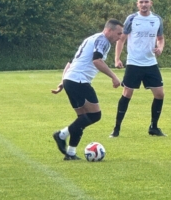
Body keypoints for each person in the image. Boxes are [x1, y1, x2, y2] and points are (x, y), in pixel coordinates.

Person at [51, 19, 124, 160]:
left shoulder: (92, 38)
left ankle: (70, 153)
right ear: (109, 30)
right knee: (95, 115)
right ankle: (61, 135)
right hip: (79, 81)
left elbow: (71, 62)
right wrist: (114, 77)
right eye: (118, 33)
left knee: (82, 118)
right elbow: (97, 60)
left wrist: (63, 81)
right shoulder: (102, 40)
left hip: (71, 80)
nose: (120, 37)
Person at [109, 0, 166, 138]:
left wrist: (160, 48)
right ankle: (116, 128)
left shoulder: (157, 19)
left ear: (151, 3)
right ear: (137, 4)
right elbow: (121, 39)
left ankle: (154, 127)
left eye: (146, 2)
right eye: (141, 2)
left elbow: (160, 38)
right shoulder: (132, 19)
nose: (144, 4)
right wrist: (117, 58)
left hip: (150, 62)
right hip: (134, 63)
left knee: (160, 94)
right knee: (127, 93)